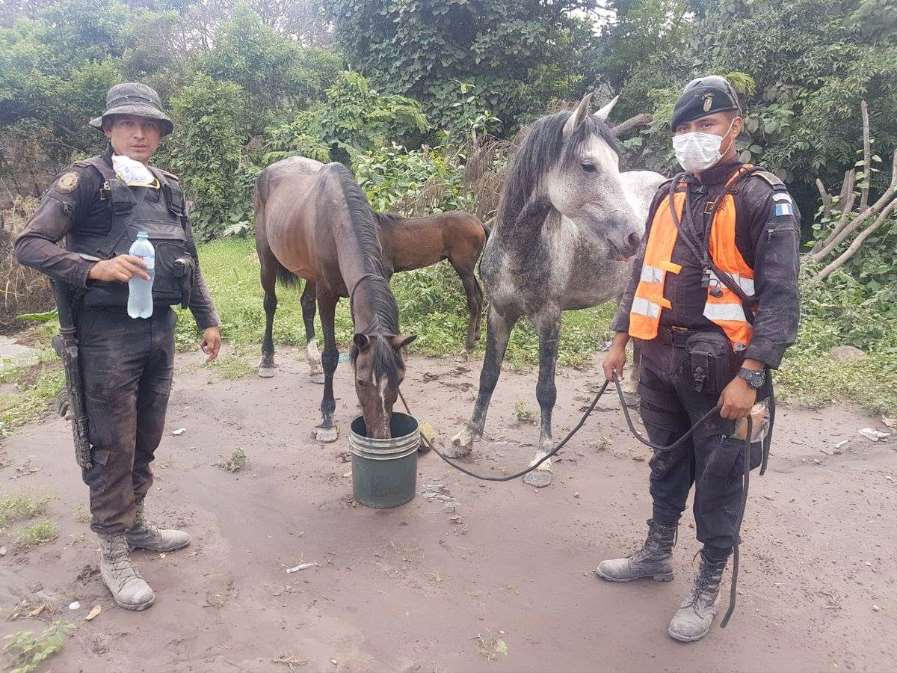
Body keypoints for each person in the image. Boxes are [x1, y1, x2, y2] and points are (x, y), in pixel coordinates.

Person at [595, 75, 800, 642]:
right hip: (657, 358)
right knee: (666, 461)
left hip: (724, 372)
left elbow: (782, 300)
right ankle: (656, 553)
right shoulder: (669, 192)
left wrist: (753, 376)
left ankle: (707, 581)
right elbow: (642, 273)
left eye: (705, 125)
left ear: (734, 125)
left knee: (719, 477)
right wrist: (618, 340)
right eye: (684, 129)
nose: (694, 137)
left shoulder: (763, 197)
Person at [15, 82, 221, 611]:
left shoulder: (168, 186)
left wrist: (208, 318)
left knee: (147, 434)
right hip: (105, 335)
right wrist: (93, 267)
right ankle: (111, 549)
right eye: (128, 123)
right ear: (108, 129)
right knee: (113, 443)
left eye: (149, 125)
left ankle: (136, 526)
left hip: (160, 330)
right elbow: (30, 245)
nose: (139, 133)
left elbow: (188, 259)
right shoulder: (85, 182)